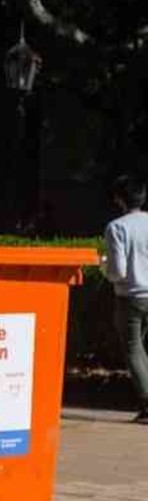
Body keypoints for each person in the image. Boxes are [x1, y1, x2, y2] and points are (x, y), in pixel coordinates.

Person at [104, 174, 148, 424]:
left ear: (119, 199)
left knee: (132, 349)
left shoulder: (117, 227)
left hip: (130, 296)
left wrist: (104, 269)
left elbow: (118, 271)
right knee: (141, 349)